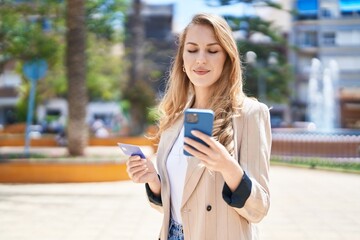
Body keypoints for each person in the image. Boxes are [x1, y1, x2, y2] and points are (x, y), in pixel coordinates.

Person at [126, 13, 271, 240]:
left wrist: (227, 167)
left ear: (227, 58)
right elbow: (178, 207)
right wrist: (153, 180)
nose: (200, 59)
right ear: (182, 59)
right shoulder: (175, 118)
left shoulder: (249, 114)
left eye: (212, 50)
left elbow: (259, 209)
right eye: (192, 50)